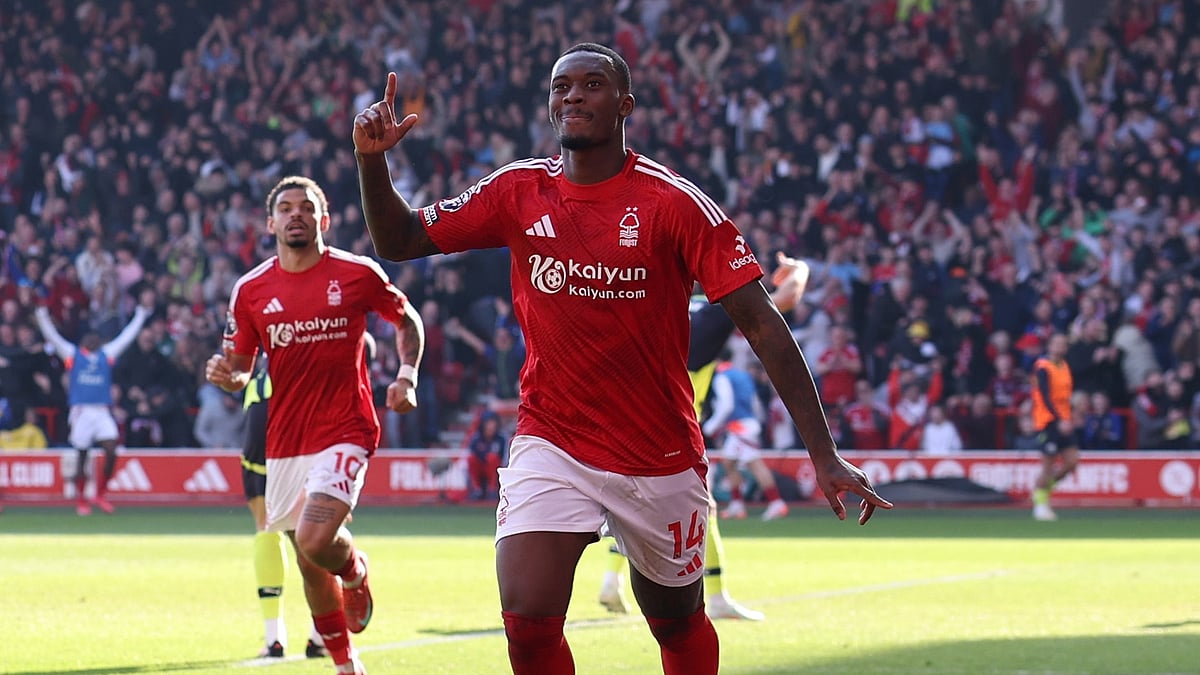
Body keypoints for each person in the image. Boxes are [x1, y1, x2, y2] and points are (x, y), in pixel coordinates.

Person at [354, 44, 890, 675]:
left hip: (657, 449)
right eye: (561, 87)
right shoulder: (517, 191)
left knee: (674, 618)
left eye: (592, 84)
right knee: (526, 620)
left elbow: (764, 325)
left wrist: (823, 455)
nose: (573, 96)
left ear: (625, 104)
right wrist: (371, 164)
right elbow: (399, 239)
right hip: (552, 438)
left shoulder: (675, 204)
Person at [205, 175, 426, 675]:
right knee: (308, 562)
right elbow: (238, 369)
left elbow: (406, 318)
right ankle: (347, 665)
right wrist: (227, 375)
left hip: (346, 427)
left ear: (324, 220)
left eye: (307, 207)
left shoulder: (355, 274)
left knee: (313, 540)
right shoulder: (251, 290)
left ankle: (355, 571)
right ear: (270, 223)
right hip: (284, 440)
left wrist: (406, 376)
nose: (295, 214)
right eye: (285, 208)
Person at [602, 254, 810, 621]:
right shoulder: (707, 315)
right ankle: (715, 597)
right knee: (701, 510)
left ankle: (610, 578)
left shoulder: (637, 307)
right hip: (675, 430)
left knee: (630, 505)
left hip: (625, 421)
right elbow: (785, 300)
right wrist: (801, 269)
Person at [239, 355, 327, 660]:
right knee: (311, 540)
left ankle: (274, 637)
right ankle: (321, 633)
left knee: (268, 530)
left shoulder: (263, 358)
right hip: (293, 450)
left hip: (258, 454)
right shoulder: (313, 352)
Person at [34, 296, 153, 516]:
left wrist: (140, 315)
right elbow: (53, 336)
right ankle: (82, 499)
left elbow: (126, 338)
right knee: (82, 455)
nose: (91, 339)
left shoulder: (106, 356)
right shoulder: (73, 355)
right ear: (82, 341)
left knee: (112, 450)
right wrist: (42, 316)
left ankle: (100, 493)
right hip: (81, 411)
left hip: (101, 411)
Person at [703, 352, 790, 522]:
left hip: (739, 427)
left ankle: (776, 503)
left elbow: (726, 405)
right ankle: (737, 504)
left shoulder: (722, 377)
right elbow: (755, 402)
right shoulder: (743, 375)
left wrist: (710, 426)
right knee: (729, 463)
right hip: (747, 423)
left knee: (755, 464)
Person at [1029, 332, 1079, 521]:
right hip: (1048, 422)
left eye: (1063, 344)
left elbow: (1065, 396)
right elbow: (1045, 396)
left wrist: (1070, 416)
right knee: (1048, 465)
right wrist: (1059, 420)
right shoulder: (1043, 367)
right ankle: (1040, 504)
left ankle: (1042, 490)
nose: (1059, 347)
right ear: (1049, 346)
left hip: (1064, 419)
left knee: (1072, 461)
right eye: (1056, 343)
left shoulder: (1065, 366)